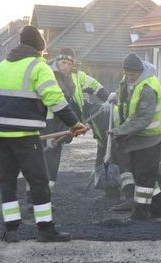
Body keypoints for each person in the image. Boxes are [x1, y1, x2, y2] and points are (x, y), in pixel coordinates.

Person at [0, 26, 88, 242]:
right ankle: (45, 230)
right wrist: (75, 124)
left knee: (7, 181)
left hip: (1, 133)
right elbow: (54, 99)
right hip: (25, 135)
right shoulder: (38, 66)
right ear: (39, 48)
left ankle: (11, 230)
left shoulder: (1, 66)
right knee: (39, 181)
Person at [110, 53, 161, 221]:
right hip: (138, 134)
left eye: (133, 75)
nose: (130, 77)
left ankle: (140, 213)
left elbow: (143, 118)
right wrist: (117, 96)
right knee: (143, 174)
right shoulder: (126, 81)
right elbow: (127, 102)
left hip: (151, 135)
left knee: (144, 175)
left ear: (140, 71)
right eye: (127, 74)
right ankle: (159, 210)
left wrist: (120, 130)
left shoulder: (148, 87)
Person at [42, 48, 111, 193]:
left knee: (54, 152)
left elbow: (94, 85)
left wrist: (108, 99)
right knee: (46, 152)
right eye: (63, 62)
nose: (66, 66)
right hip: (49, 120)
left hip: (68, 119)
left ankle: (48, 188)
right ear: (56, 61)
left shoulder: (77, 76)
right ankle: (43, 188)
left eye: (69, 63)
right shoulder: (47, 73)